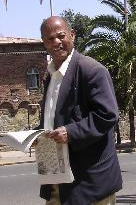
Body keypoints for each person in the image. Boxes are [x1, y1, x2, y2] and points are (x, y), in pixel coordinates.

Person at [39, 16, 122, 205]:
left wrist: (70, 132)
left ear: (72, 35)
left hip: (90, 184)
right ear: (44, 42)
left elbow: (108, 115)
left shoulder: (91, 70)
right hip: (56, 180)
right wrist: (36, 135)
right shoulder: (49, 76)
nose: (56, 42)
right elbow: (53, 116)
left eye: (61, 36)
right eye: (50, 39)